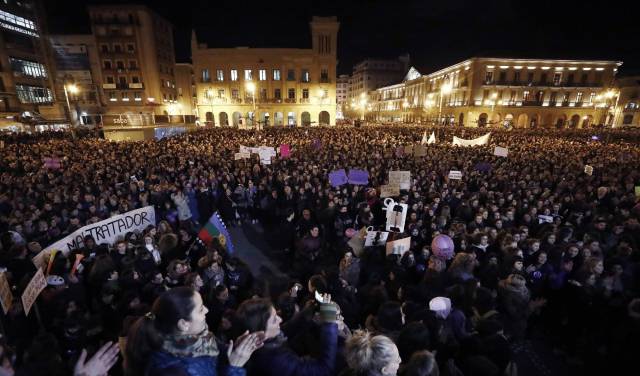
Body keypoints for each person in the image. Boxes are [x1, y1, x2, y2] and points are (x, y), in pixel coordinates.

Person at [124, 286, 263, 376]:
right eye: (201, 309)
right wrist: (235, 368)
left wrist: (233, 350)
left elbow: (213, 355)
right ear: (184, 324)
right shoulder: (171, 370)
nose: (207, 311)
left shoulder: (199, 335)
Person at [236, 296, 339, 376]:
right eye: (274, 320)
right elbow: (324, 369)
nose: (280, 320)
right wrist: (330, 323)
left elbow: (286, 330)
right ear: (260, 333)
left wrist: (307, 310)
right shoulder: (275, 361)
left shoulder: (264, 343)